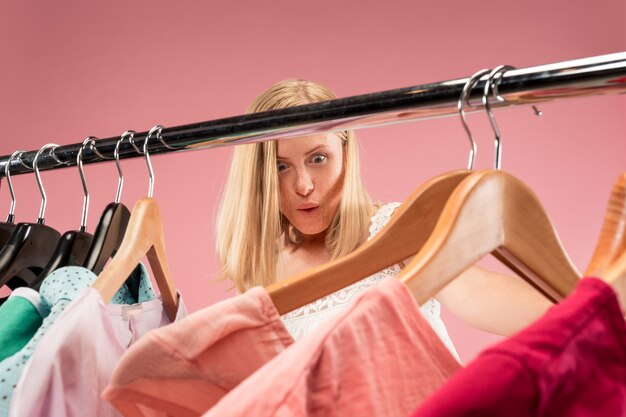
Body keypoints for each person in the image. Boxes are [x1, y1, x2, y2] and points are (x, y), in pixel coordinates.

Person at [216, 79, 552, 356]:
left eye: (318, 158)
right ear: (257, 175)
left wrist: (590, 313)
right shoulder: (261, 269)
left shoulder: (393, 231)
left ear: (346, 153)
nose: (303, 185)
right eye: (280, 167)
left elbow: (477, 293)